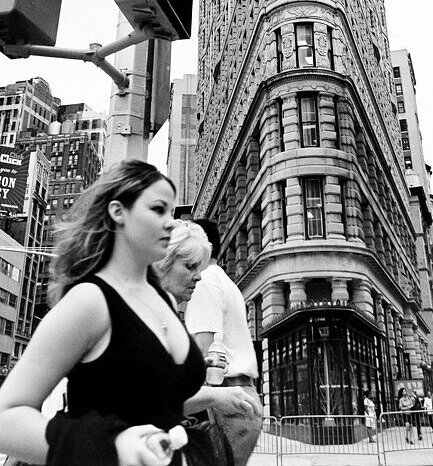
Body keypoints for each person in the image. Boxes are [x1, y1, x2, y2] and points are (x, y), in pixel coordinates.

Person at [0, 161, 208, 466]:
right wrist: (113, 447)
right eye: (158, 209)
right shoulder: (91, 300)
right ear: (118, 211)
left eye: (171, 212)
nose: (169, 222)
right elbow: (5, 419)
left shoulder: (163, 299)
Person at [156, 220, 260, 426]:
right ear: (163, 264)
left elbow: (204, 352)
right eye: (190, 266)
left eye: (198, 266)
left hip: (225, 400)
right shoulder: (150, 313)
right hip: (225, 398)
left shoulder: (207, 283)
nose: (197, 276)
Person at [185, 218, 263, 466]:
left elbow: (202, 352)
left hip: (223, 404)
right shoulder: (226, 283)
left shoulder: (204, 282)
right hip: (238, 399)